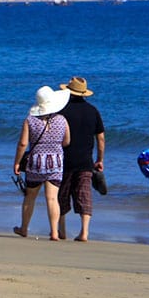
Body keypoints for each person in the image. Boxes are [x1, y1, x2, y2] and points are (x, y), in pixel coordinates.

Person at [13, 86, 71, 241]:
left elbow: (23, 144)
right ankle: (54, 232)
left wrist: (17, 163)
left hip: (35, 162)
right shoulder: (62, 120)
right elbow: (67, 141)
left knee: (30, 196)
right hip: (56, 163)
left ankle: (24, 228)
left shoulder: (30, 120)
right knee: (52, 198)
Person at [56, 77, 105, 242]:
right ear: (84, 93)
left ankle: (61, 229)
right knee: (84, 194)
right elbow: (101, 139)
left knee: (61, 194)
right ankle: (84, 232)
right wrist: (99, 159)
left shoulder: (61, 110)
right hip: (86, 161)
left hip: (64, 159)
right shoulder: (93, 111)